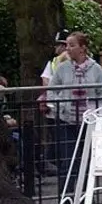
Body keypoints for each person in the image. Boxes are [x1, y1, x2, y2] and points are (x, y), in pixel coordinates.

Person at [49, 31, 102, 191]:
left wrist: (95, 110)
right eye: (67, 45)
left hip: (88, 122)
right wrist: (60, 107)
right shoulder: (62, 68)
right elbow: (51, 90)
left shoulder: (96, 69)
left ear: (82, 48)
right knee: (68, 160)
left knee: (86, 160)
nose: (67, 48)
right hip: (66, 120)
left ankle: (85, 196)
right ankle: (66, 197)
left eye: (72, 45)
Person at [37, 29, 70, 176]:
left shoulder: (53, 62)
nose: (55, 48)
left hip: (57, 106)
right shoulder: (55, 62)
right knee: (59, 137)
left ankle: (50, 162)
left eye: (58, 45)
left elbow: (45, 82)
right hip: (60, 106)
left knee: (58, 137)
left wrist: (45, 99)